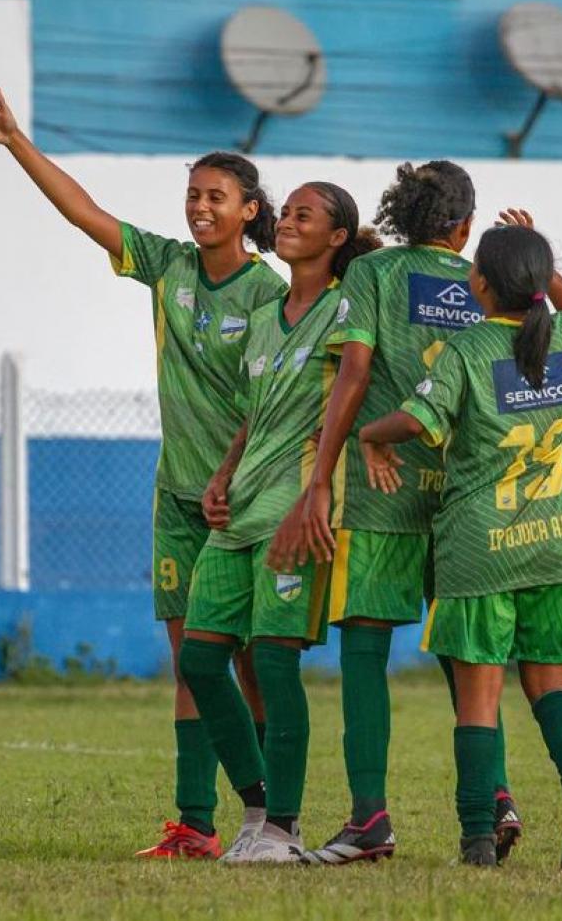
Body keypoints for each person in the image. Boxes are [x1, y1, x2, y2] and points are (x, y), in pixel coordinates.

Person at [0, 89, 286, 859]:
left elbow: (272, 401)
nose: (199, 207)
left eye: (215, 197)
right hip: (177, 498)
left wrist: (235, 477)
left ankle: (275, 817)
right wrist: (16, 143)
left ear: (248, 211)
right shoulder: (169, 266)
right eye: (193, 195)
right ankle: (195, 824)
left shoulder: (269, 293)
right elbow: (83, 212)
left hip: (242, 503)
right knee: (191, 663)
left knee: (249, 660)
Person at [272, 161, 520, 864]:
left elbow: (354, 372)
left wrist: (322, 478)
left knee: (365, 649)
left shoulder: (373, 274)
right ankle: (496, 795)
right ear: (464, 227)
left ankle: (370, 819)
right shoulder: (484, 281)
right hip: (464, 494)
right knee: (466, 655)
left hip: (382, 488)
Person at [358, 217, 562, 867]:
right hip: (558, 543)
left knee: (479, 700)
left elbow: (416, 420)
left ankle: (477, 839)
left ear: (480, 284)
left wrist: (370, 435)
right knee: (553, 685)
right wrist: (543, 268)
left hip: (481, 549)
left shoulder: (467, 350)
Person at [179, 182, 380, 864]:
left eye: (304, 215)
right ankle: (258, 805)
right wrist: (222, 472)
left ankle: (283, 830)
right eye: (286, 212)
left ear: (337, 237)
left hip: (295, 509)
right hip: (240, 507)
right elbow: (252, 410)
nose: (287, 221)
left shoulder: (347, 308)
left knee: (272, 661)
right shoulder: (267, 314)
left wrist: (318, 488)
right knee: (200, 659)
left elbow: (355, 388)